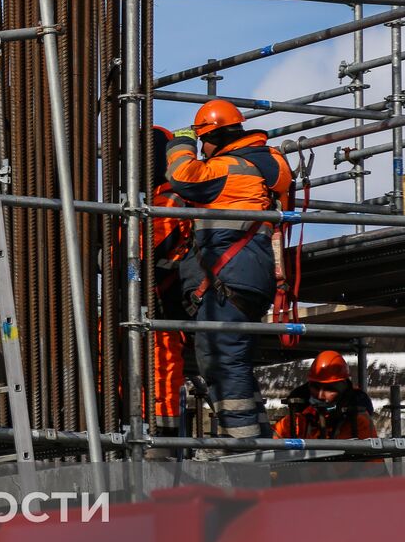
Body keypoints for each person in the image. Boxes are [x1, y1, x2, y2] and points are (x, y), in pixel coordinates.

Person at [167, 99, 291, 439]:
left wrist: (180, 144)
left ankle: (243, 446)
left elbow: (182, 176)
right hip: (249, 277)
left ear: (215, 136)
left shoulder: (230, 167)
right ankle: (257, 437)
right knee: (235, 362)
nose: (202, 150)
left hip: (229, 279)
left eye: (202, 141)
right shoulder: (265, 163)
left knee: (223, 361)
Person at [150, 126, 194, 435]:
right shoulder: (159, 199)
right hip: (159, 299)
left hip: (165, 303)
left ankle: (164, 438)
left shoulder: (169, 200)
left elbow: (145, 251)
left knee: (163, 368)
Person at [274, 350, 377, 440]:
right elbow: (270, 445)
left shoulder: (359, 422)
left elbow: (371, 456)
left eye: (329, 389)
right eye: (316, 387)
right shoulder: (296, 421)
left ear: (343, 390)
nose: (320, 396)